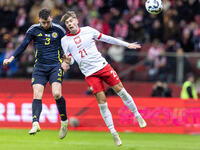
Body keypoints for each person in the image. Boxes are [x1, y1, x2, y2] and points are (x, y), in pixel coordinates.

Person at [60, 11, 147, 146]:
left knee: (121, 91)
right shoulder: (65, 40)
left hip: (103, 66)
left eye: (71, 21)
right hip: (90, 74)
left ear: (77, 20)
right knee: (102, 101)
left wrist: (127, 44)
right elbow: (70, 61)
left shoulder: (88, 30)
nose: (69, 24)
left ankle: (137, 114)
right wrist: (66, 62)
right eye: (67, 23)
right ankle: (114, 133)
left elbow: (107, 38)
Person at [3, 8, 69, 139]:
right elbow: (23, 45)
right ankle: (35, 123)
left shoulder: (59, 30)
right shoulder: (33, 29)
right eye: (43, 23)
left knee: (57, 94)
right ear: (39, 20)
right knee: (37, 95)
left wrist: (67, 61)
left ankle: (64, 122)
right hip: (39, 67)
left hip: (55, 66)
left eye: (48, 22)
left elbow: (68, 46)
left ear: (51, 18)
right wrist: (12, 57)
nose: (46, 25)